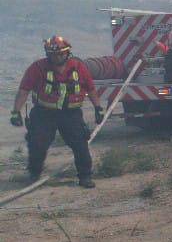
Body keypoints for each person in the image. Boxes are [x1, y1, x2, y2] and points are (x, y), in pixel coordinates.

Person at [9, 36, 104, 188]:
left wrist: (98, 109)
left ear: (67, 53)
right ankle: (34, 173)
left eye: (61, 54)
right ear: (48, 54)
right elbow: (24, 90)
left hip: (71, 114)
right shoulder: (37, 68)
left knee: (80, 144)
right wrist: (16, 112)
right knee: (37, 143)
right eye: (53, 54)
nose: (57, 57)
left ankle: (85, 176)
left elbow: (91, 89)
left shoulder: (78, 67)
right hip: (43, 114)